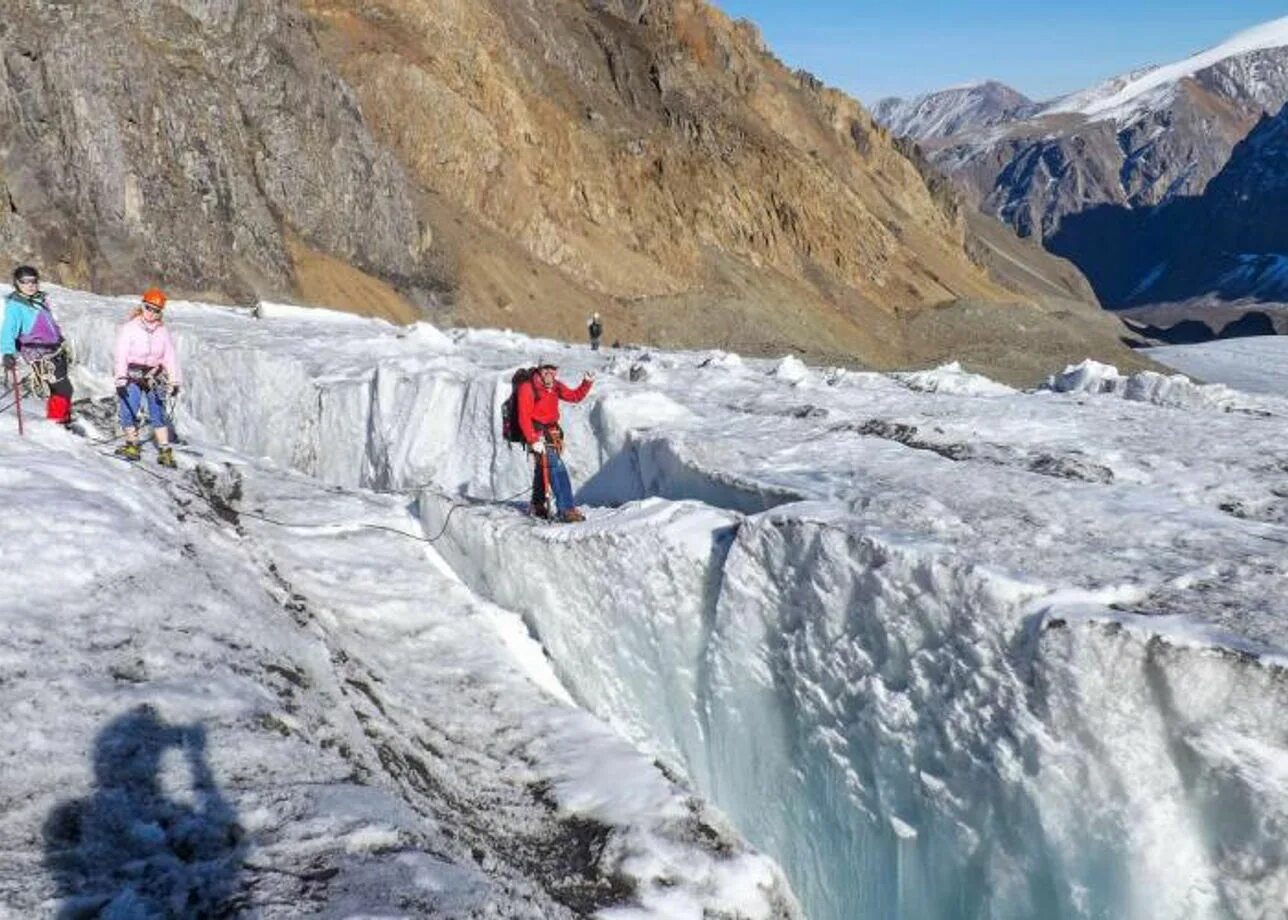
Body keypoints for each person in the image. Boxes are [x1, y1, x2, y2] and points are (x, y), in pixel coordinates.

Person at [517, 358, 594, 522]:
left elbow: (574, 396)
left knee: (543, 467)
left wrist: (586, 383)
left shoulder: (555, 386)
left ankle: (537, 505)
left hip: (551, 432)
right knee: (556, 467)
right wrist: (532, 440)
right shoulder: (527, 388)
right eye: (546, 369)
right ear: (539, 369)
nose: (549, 373)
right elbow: (523, 417)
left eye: (553, 369)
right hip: (536, 434)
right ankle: (566, 509)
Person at [114, 288, 182, 467]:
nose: (151, 313)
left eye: (156, 310)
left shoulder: (162, 332)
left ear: (160, 313)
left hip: (155, 376)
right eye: (148, 308)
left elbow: (170, 357)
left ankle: (165, 450)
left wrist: (175, 381)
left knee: (158, 414)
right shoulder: (130, 328)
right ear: (142, 306)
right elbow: (121, 355)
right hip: (133, 376)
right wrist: (120, 379)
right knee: (129, 409)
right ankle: (132, 444)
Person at [2, 265, 74, 425]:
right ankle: (58, 422)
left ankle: (59, 420)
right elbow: (8, 330)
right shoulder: (16, 305)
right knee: (63, 389)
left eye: (33, 281)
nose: (30, 285)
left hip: (53, 350)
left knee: (61, 388)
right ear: (16, 283)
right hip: (38, 353)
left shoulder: (39, 300)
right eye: (25, 282)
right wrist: (7, 352)